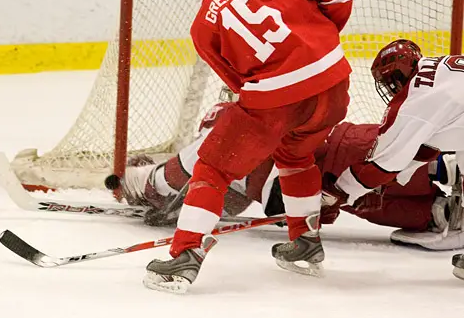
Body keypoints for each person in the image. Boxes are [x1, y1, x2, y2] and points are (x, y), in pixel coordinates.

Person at [143, 0, 353, 293]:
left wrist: (277, 98)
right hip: (335, 82)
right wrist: (318, 43)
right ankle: (305, 242)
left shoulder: (203, 23)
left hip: (276, 99)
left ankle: (184, 255)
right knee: (296, 155)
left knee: (212, 167)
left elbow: (237, 83)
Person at [123, 100, 463, 251]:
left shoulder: (225, 140)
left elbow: (179, 177)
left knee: (372, 181)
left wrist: (138, 183)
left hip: (309, 178)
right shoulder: (244, 126)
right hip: (319, 165)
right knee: (374, 175)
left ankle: (443, 191)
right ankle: (444, 197)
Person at [322, 39, 464, 255]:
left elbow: (383, 164)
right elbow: (427, 146)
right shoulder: (436, 66)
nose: (390, 89)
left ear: (399, 75)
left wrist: (341, 192)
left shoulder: (412, 103)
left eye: (390, 81)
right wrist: (382, 186)